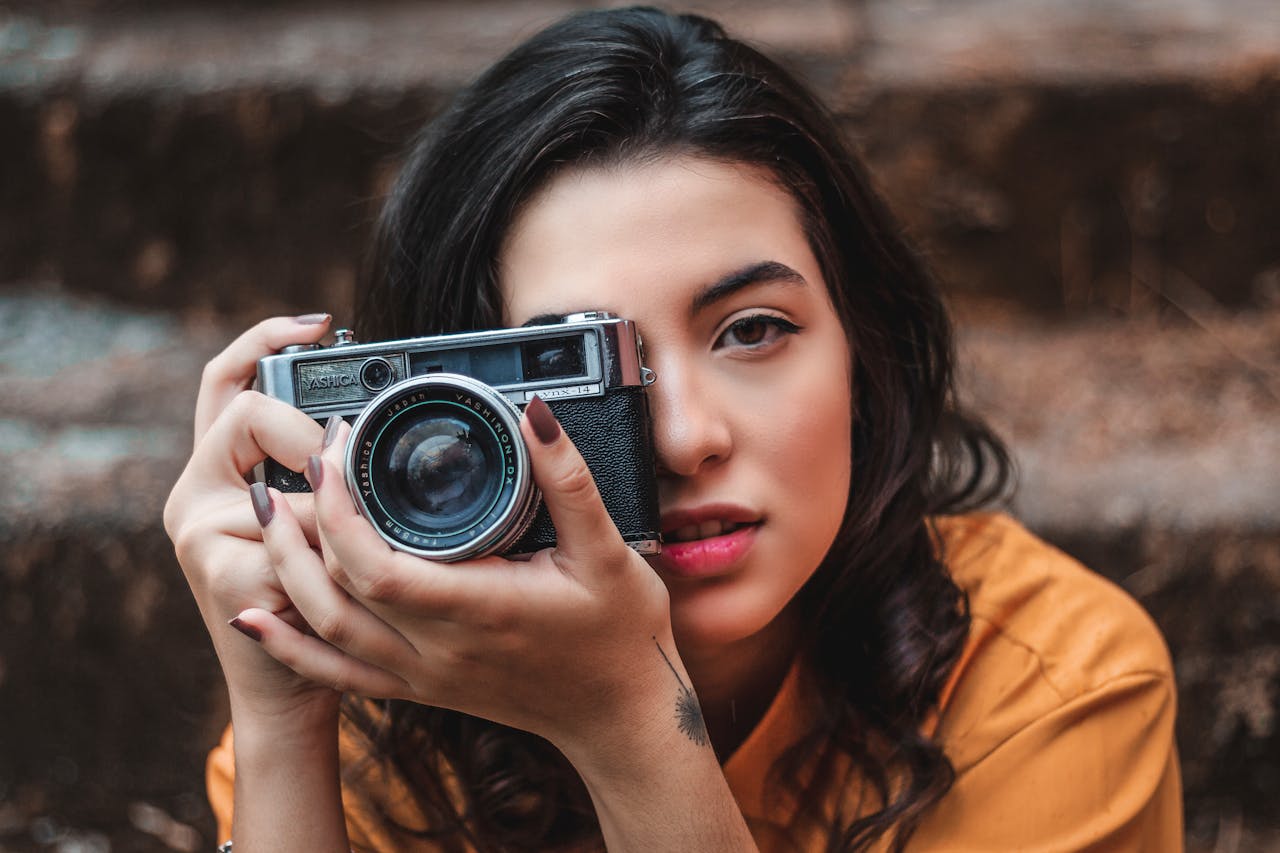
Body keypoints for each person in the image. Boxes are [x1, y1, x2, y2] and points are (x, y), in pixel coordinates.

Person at [163, 7, 1182, 852]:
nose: (686, 438)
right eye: (572, 362)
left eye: (751, 331)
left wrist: (629, 729)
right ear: (443, 409)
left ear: (862, 354)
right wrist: (284, 722)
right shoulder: (376, 701)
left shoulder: (1054, 692)